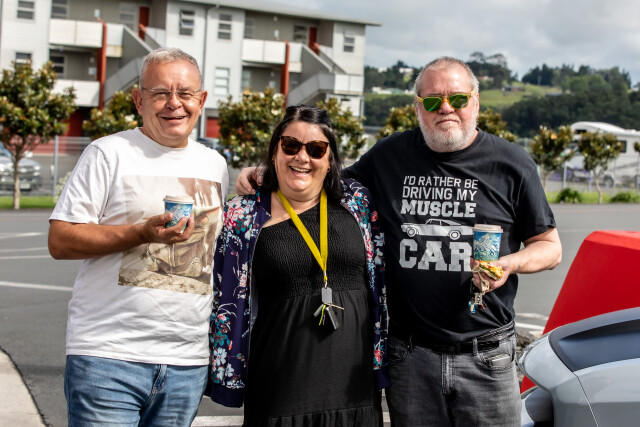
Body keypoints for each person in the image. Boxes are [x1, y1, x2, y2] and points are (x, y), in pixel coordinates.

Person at [236, 57, 562, 426]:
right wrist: (268, 173)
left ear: (475, 101)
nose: (445, 108)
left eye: (457, 98)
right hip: (411, 356)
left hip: (485, 355)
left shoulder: (511, 162)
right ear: (418, 107)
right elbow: (324, 180)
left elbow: (550, 247)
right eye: (432, 100)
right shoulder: (390, 155)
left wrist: (510, 263)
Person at [48, 47, 228, 426]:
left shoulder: (215, 165)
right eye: (160, 93)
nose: (174, 103)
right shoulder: (107, 154)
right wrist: (140, 233)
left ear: (201, 101)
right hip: (108, 356)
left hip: (186, 362)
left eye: (185, 93)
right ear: (138, 99)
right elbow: (61, 240)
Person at [207, 105, 389, 426]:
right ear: (275, 151)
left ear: (330, 159)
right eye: (291, 146)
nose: (302, 157)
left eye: (316, 149)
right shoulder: (242, 215)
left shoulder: (358, 202)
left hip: (355, 393)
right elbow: (220, 297)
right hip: (280, 393)